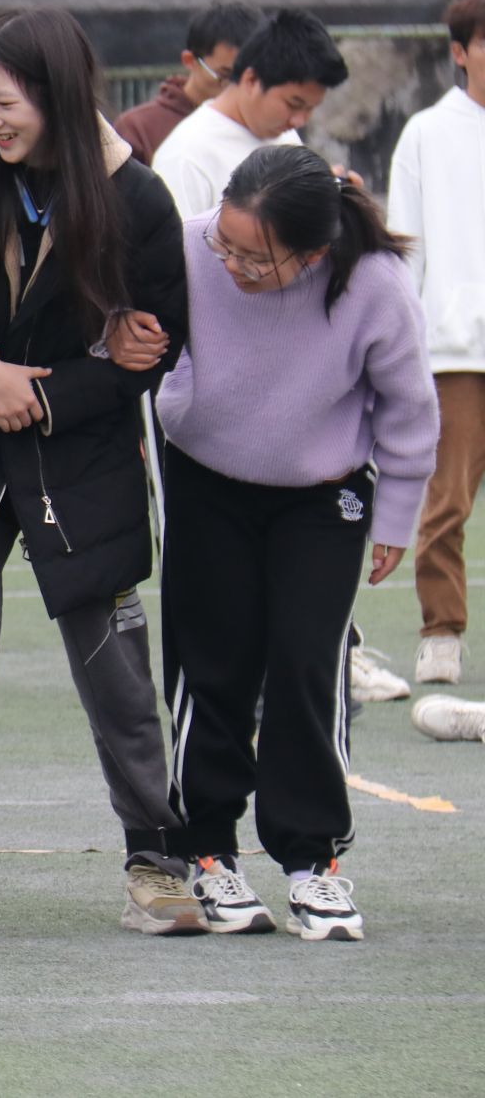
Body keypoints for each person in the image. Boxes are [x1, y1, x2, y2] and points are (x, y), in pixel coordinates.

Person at [0, 7, 204, 947]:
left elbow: (157, 339)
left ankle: (155, 857)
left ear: (58, 94)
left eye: (6, 103)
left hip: (81, 461)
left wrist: (53, 394)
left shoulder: (134, 197)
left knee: (118, 675)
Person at [130, 145, 436, 940]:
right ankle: (207, 850)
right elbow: (126, 331)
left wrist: (396, 516)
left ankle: (313, 861)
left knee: (308, 662)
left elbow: (408, 405)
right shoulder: (189, 247)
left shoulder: (374, 283)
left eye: (255, 258)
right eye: (225, 245)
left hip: (322, 493)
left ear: (314, 252)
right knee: (212, 662)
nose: (231, 264)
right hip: (206, 480)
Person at [386, 0, 485, 687]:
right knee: (446, 500)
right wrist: (407, 345)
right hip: (455, 351)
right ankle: (441, 631)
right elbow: (406, 245)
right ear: (460, 52)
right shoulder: (426, 132)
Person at [151, 8, 349, 220]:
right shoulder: (185, 157)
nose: (299, 120)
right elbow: (181, 241)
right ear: (251, 80)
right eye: (293, 104)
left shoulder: (284, 136)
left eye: (311, 108)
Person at [113, 2, 264, 167]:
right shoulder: (138, 128)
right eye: (225, 75)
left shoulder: (268, 125)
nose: (237, 88)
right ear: (190, 61)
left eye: (251, 79)